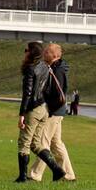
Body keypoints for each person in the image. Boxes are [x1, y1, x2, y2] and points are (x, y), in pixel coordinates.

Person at [15, 41, 65, 182]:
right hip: (44, 109)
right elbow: (47, 89)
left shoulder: (30, 69)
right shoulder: (45, 67)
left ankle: (22, 177)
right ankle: (57, 170)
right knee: (36, 144)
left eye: (26, 50)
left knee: (24, 142)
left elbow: (28, 93)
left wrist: (22, 114)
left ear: (31, 53)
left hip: (33, 109)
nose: (24, 53)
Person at [29, 43, 76, 182]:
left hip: (53, 111)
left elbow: (58, 94)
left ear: (55, 55)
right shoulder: (55, 68)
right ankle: (68, 175)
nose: (44, 54)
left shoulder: (57, 71)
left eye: (47, 52)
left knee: (43, 142)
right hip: (57, 111)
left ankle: (35, 175)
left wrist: (49, 109)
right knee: (57, 144)